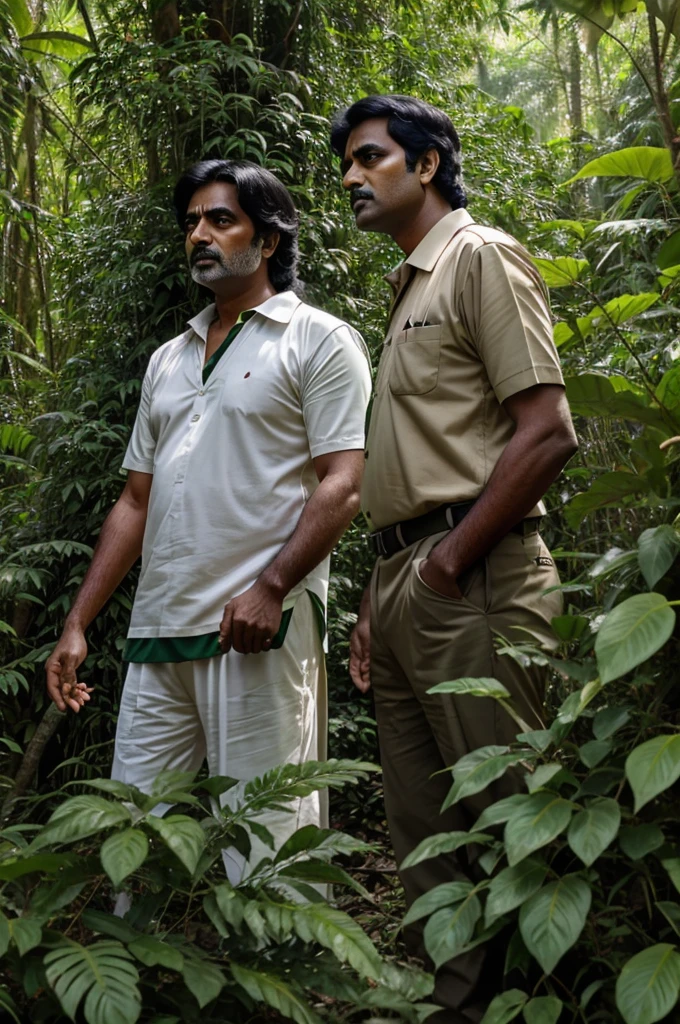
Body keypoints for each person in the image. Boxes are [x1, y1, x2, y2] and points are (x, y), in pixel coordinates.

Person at [45, 158, 372, 881]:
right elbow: (136, 500)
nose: (200, 234)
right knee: (133, 830)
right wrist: (78, 621)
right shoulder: (168, 359)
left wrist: (272, 587)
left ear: (271, 237)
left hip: (257, 627)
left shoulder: (317, 339)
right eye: (191, 221)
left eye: (220, 219)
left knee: (266, 839)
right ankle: (142, 983)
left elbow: (343, 485)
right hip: (159, 631)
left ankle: (279, 986)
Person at [331, 95, 578, 1021]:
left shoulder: (479, 257)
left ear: (427, 163)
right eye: (346, 165)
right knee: (426, 832)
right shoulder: (405, 290)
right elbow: (412, 465)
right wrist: (382, 590)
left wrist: (442, 567)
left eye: (369, 158)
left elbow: (547, 433)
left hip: (471, 575)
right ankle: (462, 1006)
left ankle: (548, 1000)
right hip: (405, 581)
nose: (351, 178)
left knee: (508, 816)